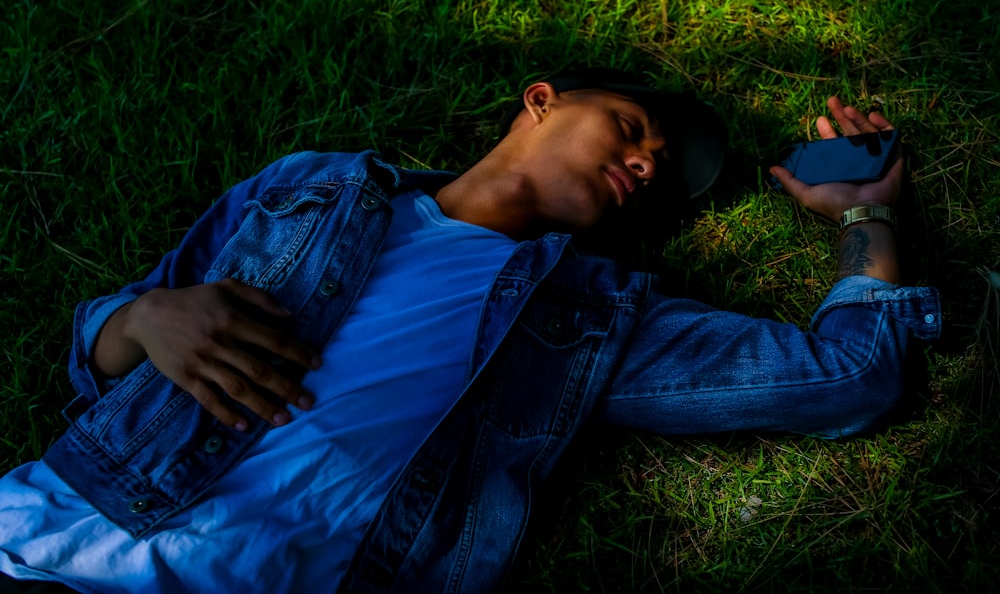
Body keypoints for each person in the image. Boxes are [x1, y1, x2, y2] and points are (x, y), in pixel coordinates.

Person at [0, 68, 940, 593]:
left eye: (654, 168)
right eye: (631, 127)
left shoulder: (586, 318)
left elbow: (851, 376)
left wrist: (864, 214)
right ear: (541, 101)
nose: (646, 162)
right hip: (47, 530)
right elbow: (96, 356)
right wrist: (146, 315)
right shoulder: (314, 185)